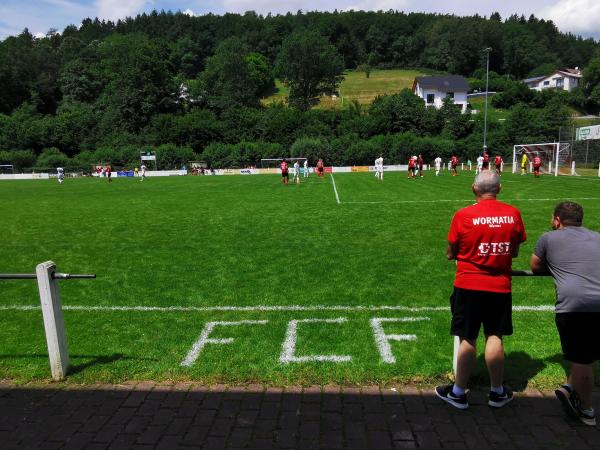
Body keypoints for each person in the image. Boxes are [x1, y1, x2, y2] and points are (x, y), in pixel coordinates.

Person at [435, 170, 527, 410]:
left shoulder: (464, 215)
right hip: (500, 285)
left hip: (469, 284)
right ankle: (497, 392)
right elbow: (514, 251)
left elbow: (450, 252)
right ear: (500, 188)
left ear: (474, 189)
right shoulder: (513, 214)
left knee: (467, 338)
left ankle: (458, 392)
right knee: (495, 336)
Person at [530, 202, 600, 426]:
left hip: (576, 305)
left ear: (557, 220)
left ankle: (587, 410)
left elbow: (535, 266)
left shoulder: (549, 238)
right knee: (587, 354)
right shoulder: (597, 237)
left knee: (582, 359)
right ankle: (570, 387)